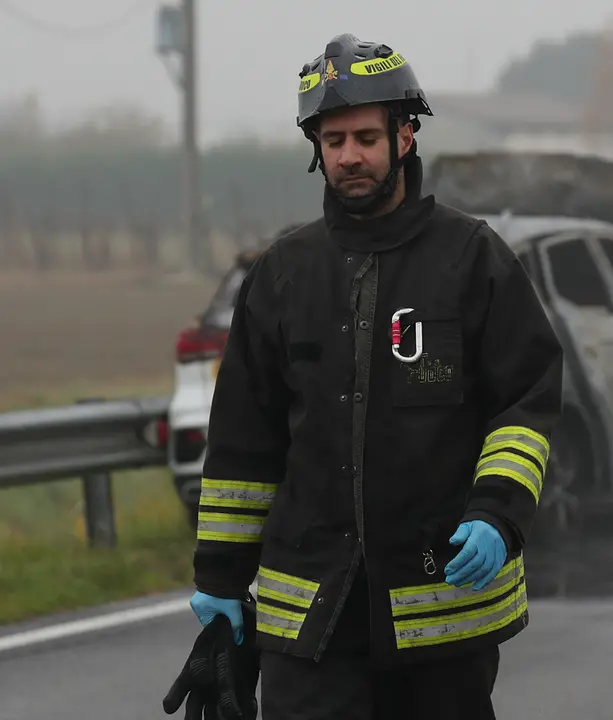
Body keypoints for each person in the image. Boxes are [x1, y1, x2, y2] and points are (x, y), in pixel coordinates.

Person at [182, 33, 563, 719]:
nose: (349, 156)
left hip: (441, 618)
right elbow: (244, 443)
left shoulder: (473, 260)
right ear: (316, 150)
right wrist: (219, 581)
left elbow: (526, 404)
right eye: (332, 142)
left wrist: (498, 513)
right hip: (311, 620)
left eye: (364, 137)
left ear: (405, 136)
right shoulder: (282, 274)